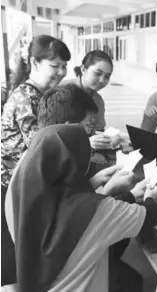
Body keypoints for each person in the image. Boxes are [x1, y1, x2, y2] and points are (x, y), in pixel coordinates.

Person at [5, 124, 157, 292]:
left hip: (28, 281)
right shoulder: (93, 210)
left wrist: (96, 182)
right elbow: (151, 215)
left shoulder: (17, 193)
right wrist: (149, 198)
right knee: (131, 279)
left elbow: (63, 205)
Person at [1, 35, 70, 288]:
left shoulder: (39, 94)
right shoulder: (25, 97)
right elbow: (41, 146)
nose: (61, 72)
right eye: (55, 66)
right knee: (17, 263)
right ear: (34, 62)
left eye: (64, 66)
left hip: (26, 181)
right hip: (12, 185)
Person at [62, 50, 117, 150]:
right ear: (83, 69)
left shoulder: (98, 100)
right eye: (97, 73)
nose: (102, 80)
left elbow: (98, 130)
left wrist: (108, 139)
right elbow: (53, 135)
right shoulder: (62, 92)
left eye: (107, 77)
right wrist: (86, 142)